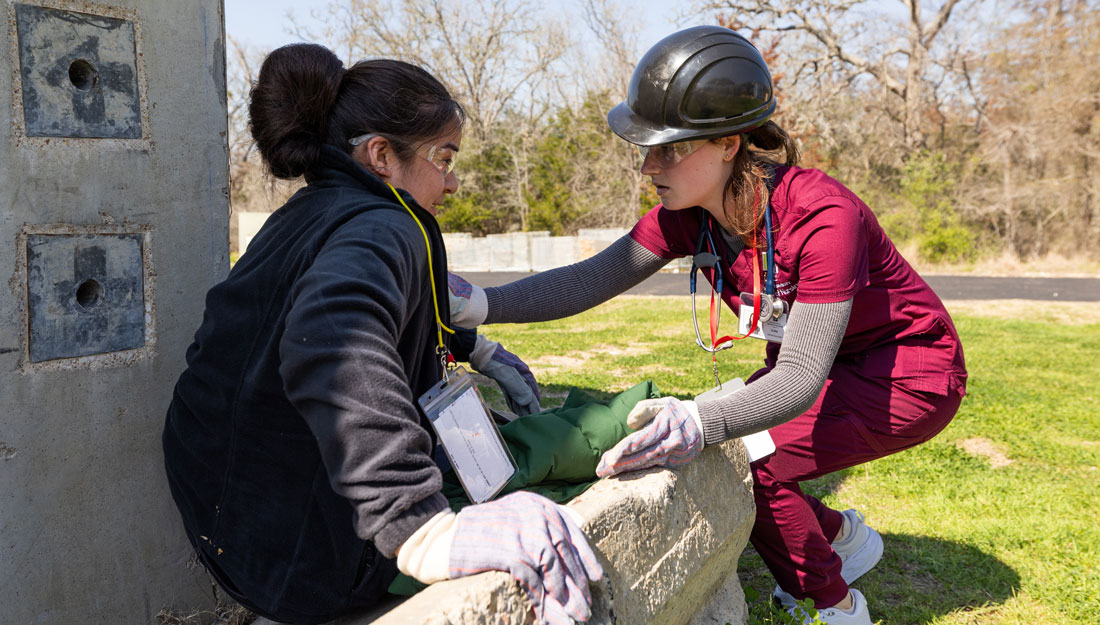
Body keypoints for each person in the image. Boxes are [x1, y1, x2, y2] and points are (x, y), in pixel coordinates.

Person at [448, 26, 967, 625]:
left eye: (668, 148)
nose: (648, 165)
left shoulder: (824, 218)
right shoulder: (688, 214)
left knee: (754, 455)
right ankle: (843, 541)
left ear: (727, 142)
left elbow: (796, 382)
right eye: (647, 148)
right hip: (820, 368)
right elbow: (589, 280)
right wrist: (480, 305)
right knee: (747, 440)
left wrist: (697, 419)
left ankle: (835, 606)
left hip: (907, 376)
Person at [162, 43, 600, 625]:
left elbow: (383, 305)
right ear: (381, 156)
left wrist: (479, 347)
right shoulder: (385, 224)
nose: (451, 185)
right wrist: (418, 523)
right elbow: (331, 338)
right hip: (299, 545)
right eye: (444, 159)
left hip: (222, 503)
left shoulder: (310, 211)